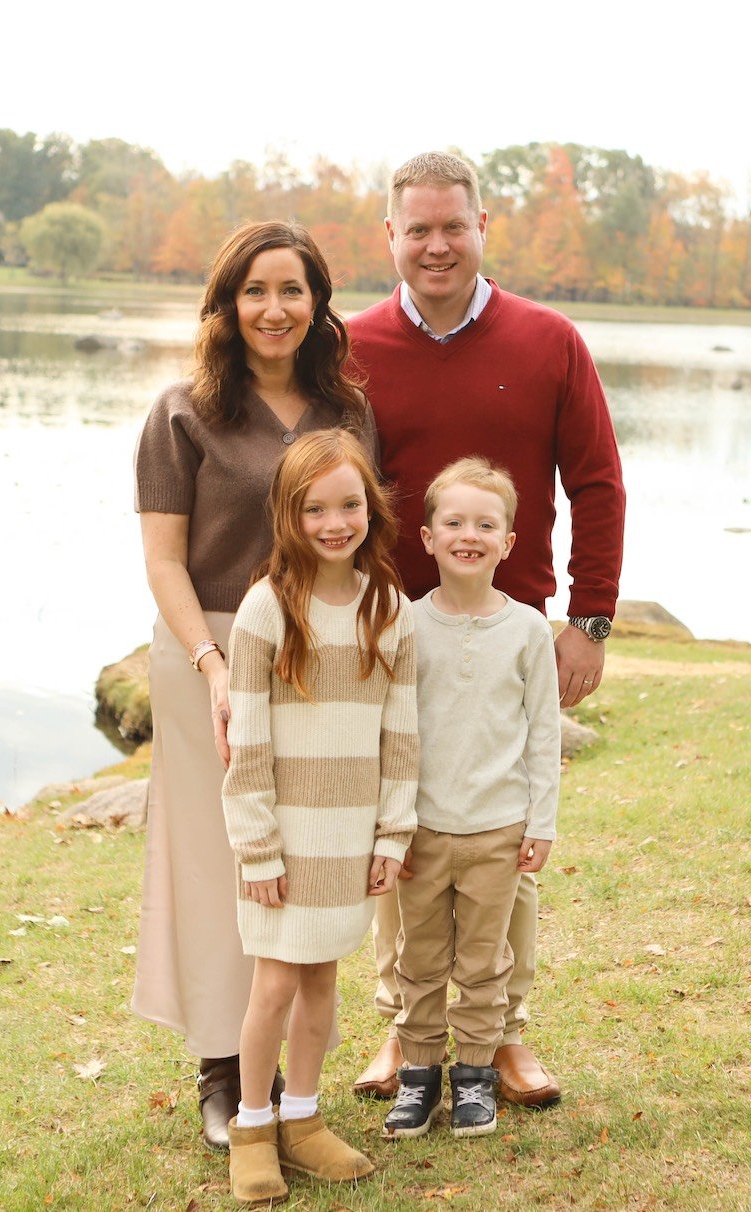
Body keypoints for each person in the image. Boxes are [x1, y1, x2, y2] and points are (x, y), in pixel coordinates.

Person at [349, 151, 625, 1107]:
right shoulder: (351, 347)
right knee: (400, 833)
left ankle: (502, 1033)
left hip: (510, 630)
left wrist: (587, 617)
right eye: (416, 228)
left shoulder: (548, 340)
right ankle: (406, 1026)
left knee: (506, 834)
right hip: (388, 637)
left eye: (452, 226)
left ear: (480, 230)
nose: (435, 245)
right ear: (390, 235)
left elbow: (597, 483)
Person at [132, 221, 378, 1151]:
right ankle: (226, 1073)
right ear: (227, 305)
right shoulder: (181, 412)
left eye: (293, 290)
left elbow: (361, 535)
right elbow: (163, 562)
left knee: (304, 855)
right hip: (211, 654)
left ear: (318, 303)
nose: (274, 309)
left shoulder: (348, 411)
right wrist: (210, 668)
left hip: (321, 655)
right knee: (218, 861)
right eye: (255, 291)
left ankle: (297, 1072)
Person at [221, 429, 419, 1205]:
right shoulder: (267, 610)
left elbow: (402, 737)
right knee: (273, 985)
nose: (335, 523)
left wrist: (394, 832)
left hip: (350, 833)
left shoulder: (388, 609)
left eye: (350, 505)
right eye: (315, 509)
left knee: (323, 982)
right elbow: (248, 742)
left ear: (371, 507)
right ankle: (252, 1123)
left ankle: (304, 1120)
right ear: (288, 514)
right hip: (283, 838)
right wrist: (259, 848)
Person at [382, 457, 559, 1141]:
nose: (469, 535)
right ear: (426, 536)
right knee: (419, 959)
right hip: (422, 829)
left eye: (486, 524)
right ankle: (420, 1074)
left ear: (508, 542)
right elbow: (391, 734)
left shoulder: (527, 632)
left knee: (485, 962)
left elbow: (543, 735)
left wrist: (539, 822)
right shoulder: (407, 625)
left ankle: (477, 1076)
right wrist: (391, 828)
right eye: (453, 522)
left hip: (497, 828)